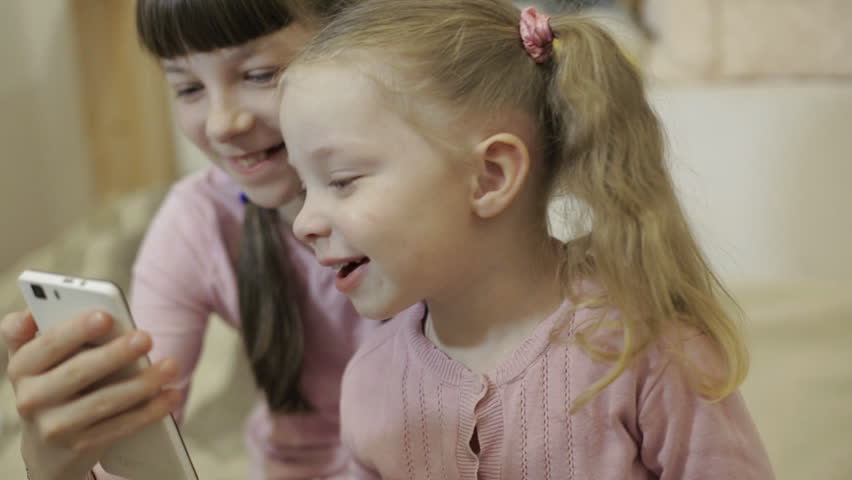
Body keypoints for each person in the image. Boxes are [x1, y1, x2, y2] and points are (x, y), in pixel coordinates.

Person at [278, 0, 776, 477]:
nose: (304, 221)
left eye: (341, 180)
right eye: (304, 187)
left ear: (490, 176)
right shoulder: (370, 381)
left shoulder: (645, 349)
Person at [1, 1, 407, 479]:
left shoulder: (455, 186)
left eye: (258, 74)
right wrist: (57, 466)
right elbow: (135, 454)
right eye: (188, 87)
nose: (220, 123)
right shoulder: (198, 223)